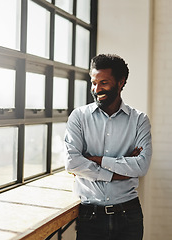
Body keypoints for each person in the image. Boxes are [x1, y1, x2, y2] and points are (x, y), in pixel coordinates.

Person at [64, 54, 152, 240]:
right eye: (93, 83)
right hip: (90, 217)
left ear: (121, 82)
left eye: (103, 82)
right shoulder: (78, 117)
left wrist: (96, 159)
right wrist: (119, 170)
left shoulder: (139, 120)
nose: (97, 89)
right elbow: (72, 162)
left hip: (129, 216)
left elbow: (141, 166)